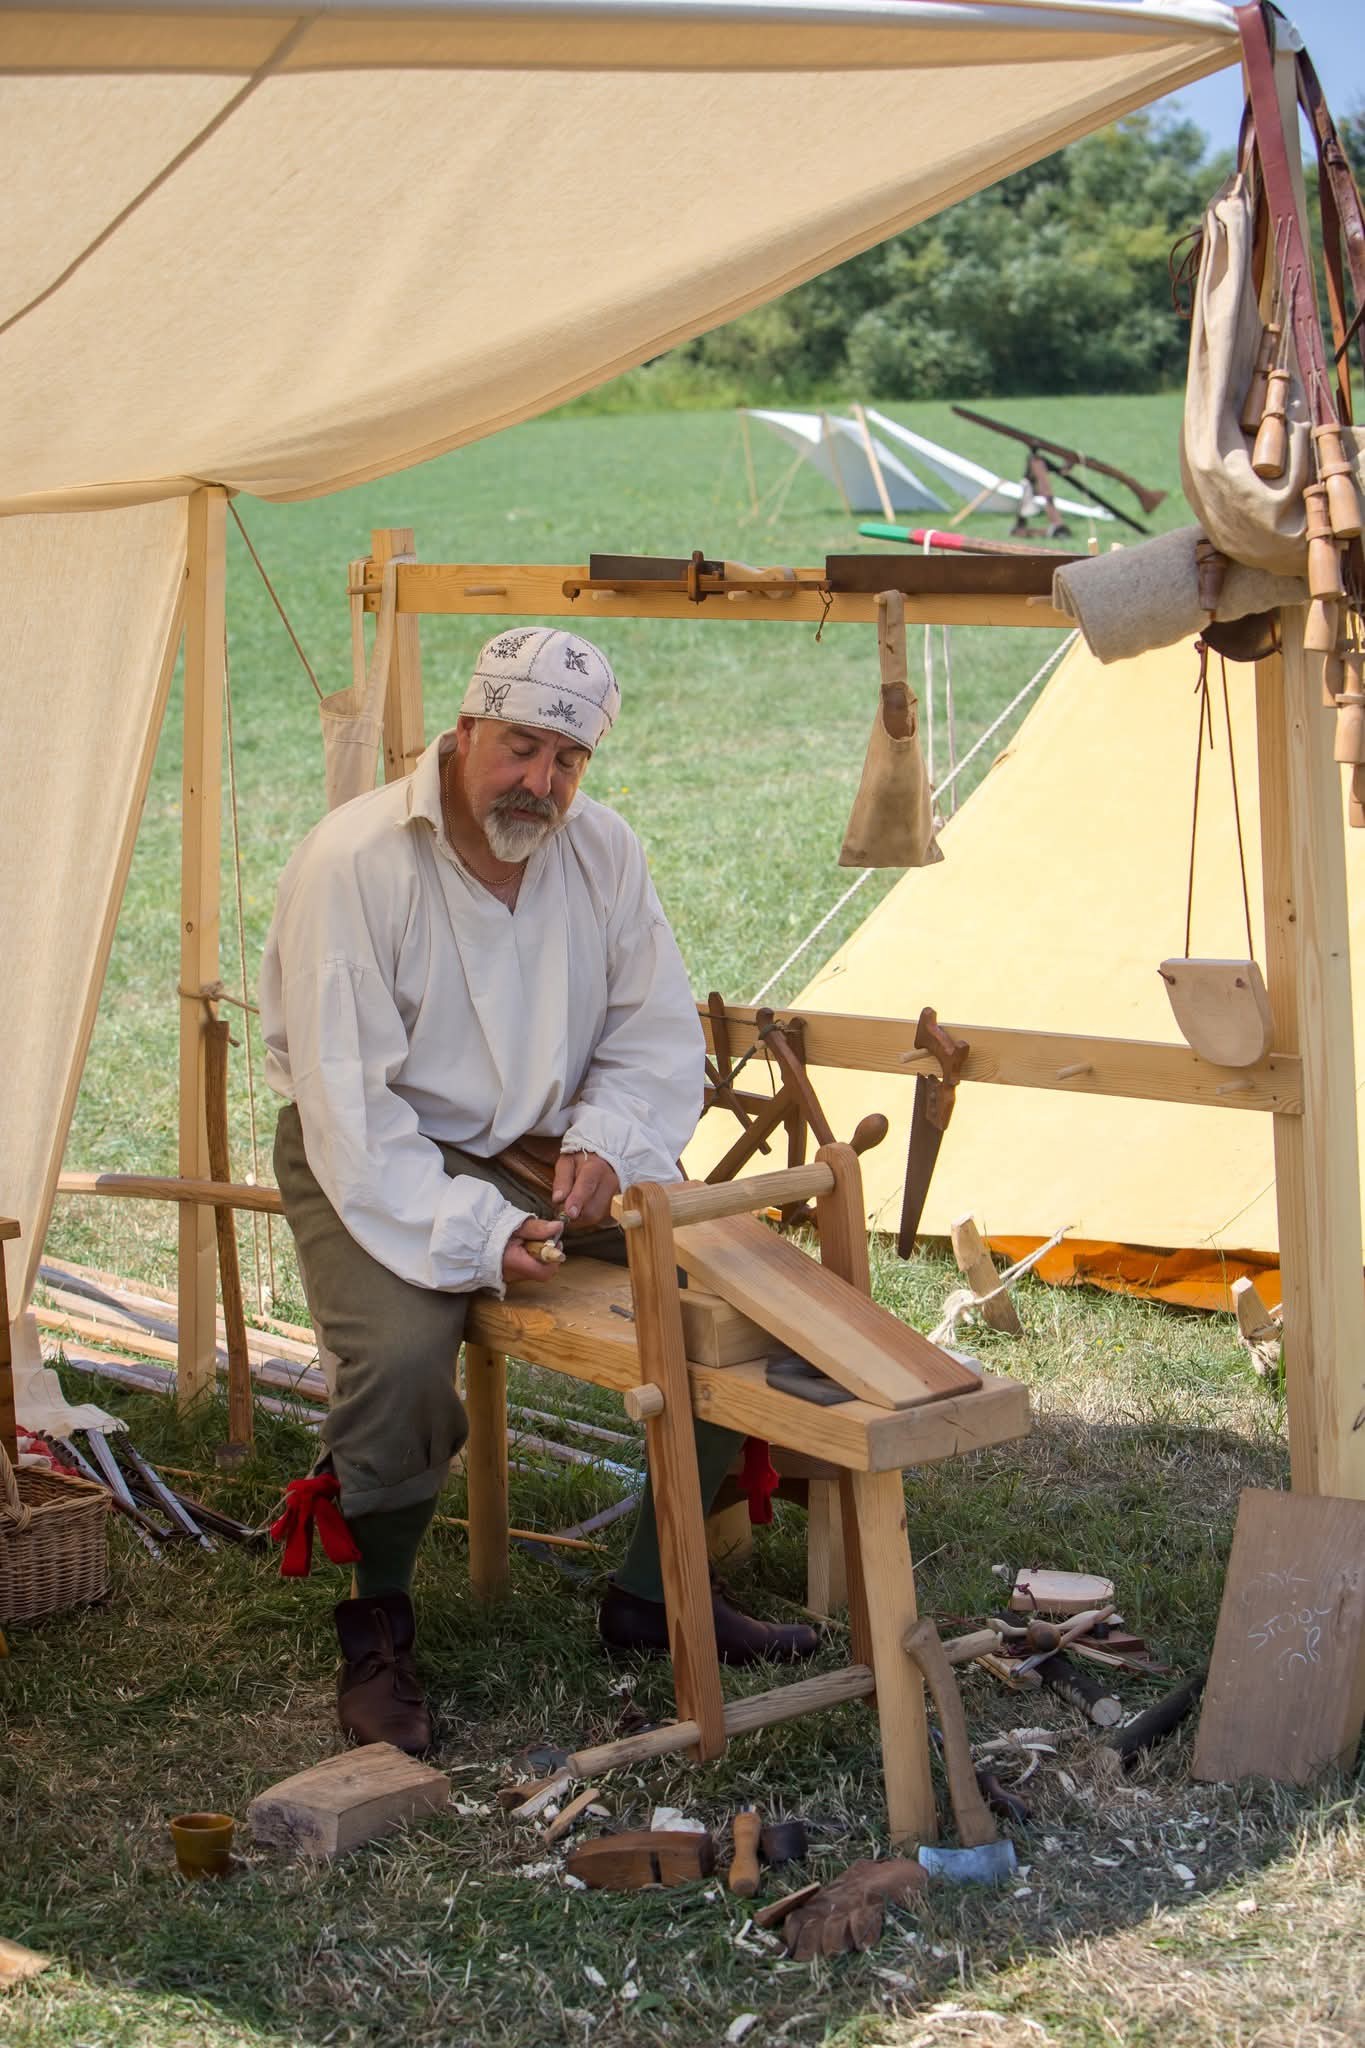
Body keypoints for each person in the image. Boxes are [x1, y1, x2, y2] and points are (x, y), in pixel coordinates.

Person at [260, 626, 816, 1753]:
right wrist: (475, 1228)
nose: (541, 783)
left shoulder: (602, 851)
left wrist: (610, 1139)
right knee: (405, 1359)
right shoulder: (354, 862)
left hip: (547, 1146)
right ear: (463, 733)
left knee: (741, 1288)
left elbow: (651, 1031)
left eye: (568, 760)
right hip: (373, 1147)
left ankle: (657, 1593)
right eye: (520, 747)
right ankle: (378, 1624)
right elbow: (351, 1107)